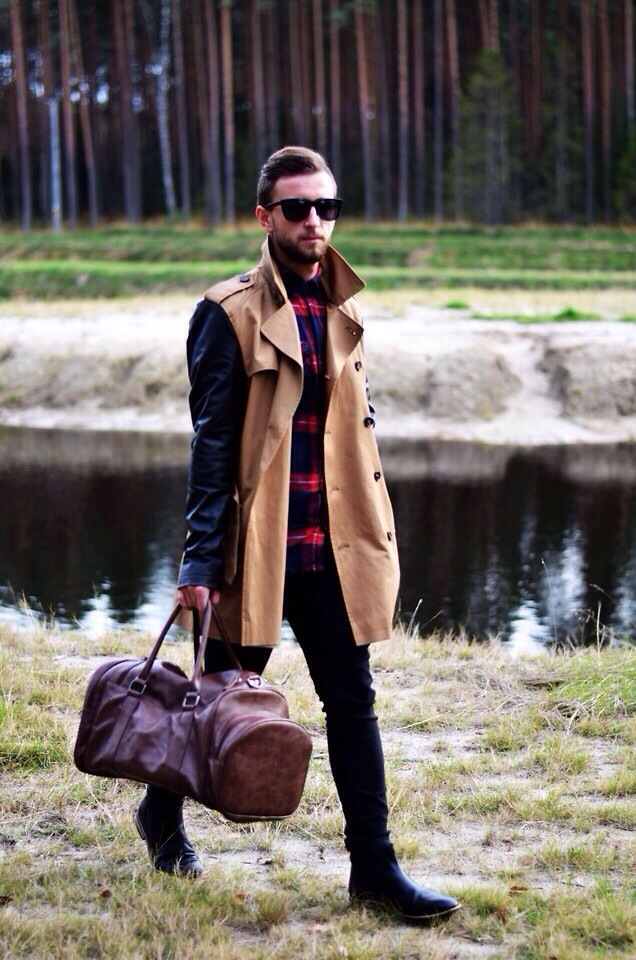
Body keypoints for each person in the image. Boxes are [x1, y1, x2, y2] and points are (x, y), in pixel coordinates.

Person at [134, 146, 459, 922]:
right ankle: (161, 811)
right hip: (256, 549)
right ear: (265, 216)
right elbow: (212, 444)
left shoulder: (345, 305)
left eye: (327, 207)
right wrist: (199, 561)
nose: (315, 221)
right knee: (214, 699)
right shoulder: (227, 314)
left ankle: (374, 869)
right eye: (298, 207)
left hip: (334, 546)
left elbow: (354, 421)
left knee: (353, 701)